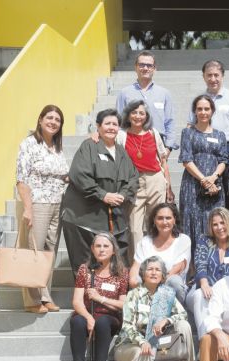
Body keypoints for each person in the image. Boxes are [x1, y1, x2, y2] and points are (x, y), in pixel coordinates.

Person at [113, 255, 197, 361]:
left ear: (163, 275)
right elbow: (127, 326)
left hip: (158, 346)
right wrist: (142, 341)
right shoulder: (133, 295)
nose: (153, 272)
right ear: (143, 273)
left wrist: (166, 320)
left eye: (157, 269)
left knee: (183, 325)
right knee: (139, 352)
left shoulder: (167, 294)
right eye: (150, 269)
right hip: (129, 346)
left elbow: (182, 314)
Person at [92, 100, 174, 261]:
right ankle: (136, 266)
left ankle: (156, 263)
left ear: (146, 116)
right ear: (128, 115)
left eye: (142, 113)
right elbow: (107, 141)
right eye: (134, 113)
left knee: (157, 224)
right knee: (135, 228)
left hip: (155, 179)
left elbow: (163, 160)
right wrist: (96, 133)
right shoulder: (122, 135)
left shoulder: (153, 133)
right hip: (134, 183)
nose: (138, 116)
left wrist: (168, 185)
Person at [61, 109, 139, 274]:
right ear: (98, 126)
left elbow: (133, 178)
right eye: (107, 123)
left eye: (115, 124)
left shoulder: (121, 152)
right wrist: (103, 195)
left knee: (114, 267)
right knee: (85, 268)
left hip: (112, 221)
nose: (111, 127)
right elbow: (79, 175)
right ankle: (84, 299)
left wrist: (123, 195)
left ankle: (109, 299)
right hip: (84, 220)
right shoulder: (89, 146)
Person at [15, 104, 68, 314]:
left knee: (49, 252)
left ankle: (46, 296)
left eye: (57, 119)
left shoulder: (57, 146)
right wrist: (27, 208)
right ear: (40, 119)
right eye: (50, 118)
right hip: (37, 203)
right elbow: (21, 179)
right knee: (34, 252)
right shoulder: (29, 144)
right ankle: (32, 299)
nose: (53, 122)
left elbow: (61, 174)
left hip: (58, 204)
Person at [69, 232, 129, 361]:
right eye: (98, 246)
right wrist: (88, 317)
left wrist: (101, 298)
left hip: (110, 317)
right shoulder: (85, 270)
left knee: (102, 322)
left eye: (106, 246)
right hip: (87, 313)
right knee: (77, 321)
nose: (101, 249)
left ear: (113, 250)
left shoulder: (122, 272)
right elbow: (76, 301)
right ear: (92, 249)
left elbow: (123, 304)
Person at [178, 95, 229, 257]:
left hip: (215, 187)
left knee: (215, 221)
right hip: (192, 186)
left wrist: (213, 177)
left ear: (212, 111)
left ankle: (216, 261)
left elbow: (224, 159)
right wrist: (203, 179)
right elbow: (186, 159)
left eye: (206, 109)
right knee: (192, 222)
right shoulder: (187, 133)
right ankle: (193, 268)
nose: (203, 112)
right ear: (195, 111)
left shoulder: (220, 135)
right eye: (199, 109)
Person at [188, 60, 229, 212]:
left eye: (216, 75)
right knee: (208, 188)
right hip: (205, 149)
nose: (213, 79)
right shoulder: (199, 100)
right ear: (203, 77)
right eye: (209, 75)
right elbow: (190, 126)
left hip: (228, 148)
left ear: (222, 76)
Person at [187, 207, 229, 337]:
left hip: (228, 293)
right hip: (204, 289)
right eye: (215, 224)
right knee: (200, 295)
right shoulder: (205, 241)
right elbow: (200, 263)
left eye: (222, 223)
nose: (219, 227)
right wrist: (204, 283)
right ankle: (204, 342)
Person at [115, 50, 179, 160]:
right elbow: (118, 121)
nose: (145, 68)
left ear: (154, 68)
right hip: (132, 144)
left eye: (149, 65)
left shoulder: (164, 93)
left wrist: (168, 148)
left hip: (158, 144)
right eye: (141, 65)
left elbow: (170, 122)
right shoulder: (124, 93)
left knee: (157, 177)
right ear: (135, 67)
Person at [129, 203, 191, 305]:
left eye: (168, 218)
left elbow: (178, 268)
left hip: (170, 286)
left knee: (175, 281)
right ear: (154, 220)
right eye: (160, 218)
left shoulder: (183, 240)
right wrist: (133, 280)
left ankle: (175, 315)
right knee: (138, 280)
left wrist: (156, 284)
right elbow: (136, 266)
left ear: (174, 220)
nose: (164, 222)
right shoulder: (145, 242)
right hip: (147, 285)